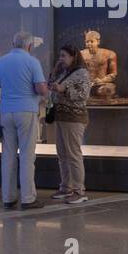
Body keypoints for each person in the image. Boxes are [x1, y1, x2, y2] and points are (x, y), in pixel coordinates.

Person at [0, 32, 49, 210]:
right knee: (26, 155)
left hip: (6, 111)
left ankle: (8, 197)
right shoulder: (32, 62)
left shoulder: (1, 62)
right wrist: (47, 91)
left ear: (12, 43)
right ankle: (28, 198)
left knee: (7, 156)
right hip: (27, 111)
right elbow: (40, 88)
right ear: (29, 46)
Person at [48, 44, 92, 205]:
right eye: (60, 56)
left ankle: (79, 190)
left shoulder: (82, 74)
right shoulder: (63, 72)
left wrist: (63, 90)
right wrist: (55, 72)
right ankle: (66, 186)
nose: (61, 59)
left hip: (74, 117)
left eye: (64, 56)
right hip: (61, 116)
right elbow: (52, 85)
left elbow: (83, 95)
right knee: (62, 154)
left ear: (73, 57)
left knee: (73, 154)